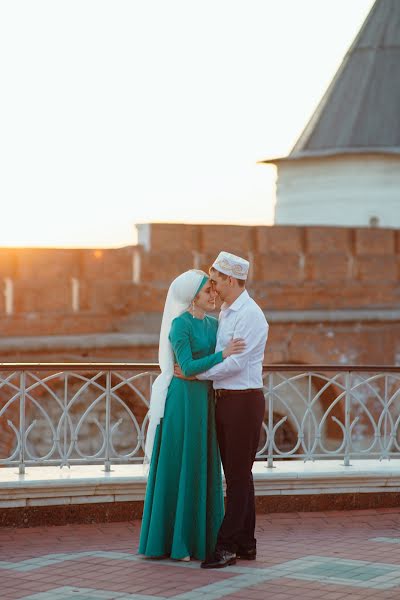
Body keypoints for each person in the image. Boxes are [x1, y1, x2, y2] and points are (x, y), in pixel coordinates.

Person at [138, 269, 245, 561]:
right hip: (182, 405)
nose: (214, 295)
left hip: (204, 402)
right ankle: (177, 543)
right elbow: (185, 365)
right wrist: (220, 357)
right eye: (207, 291)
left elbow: (194, 369)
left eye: (213, 290)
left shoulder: (213, 325)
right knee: (181, 464)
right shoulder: (179, 325)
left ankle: (202, 539)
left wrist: (199, 370)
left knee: (201, 466)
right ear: (191, 297)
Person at [177, 252, 269, 569]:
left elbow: (236, 363)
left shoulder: (251, 315)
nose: (212, 287)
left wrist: (194, 373)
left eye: (215, 280)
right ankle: (246, 543)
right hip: (227, 400)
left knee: (239, 477)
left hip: (243, 400)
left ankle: (226, 545)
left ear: (231, 280)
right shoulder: (229, 312)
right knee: (239, 474)